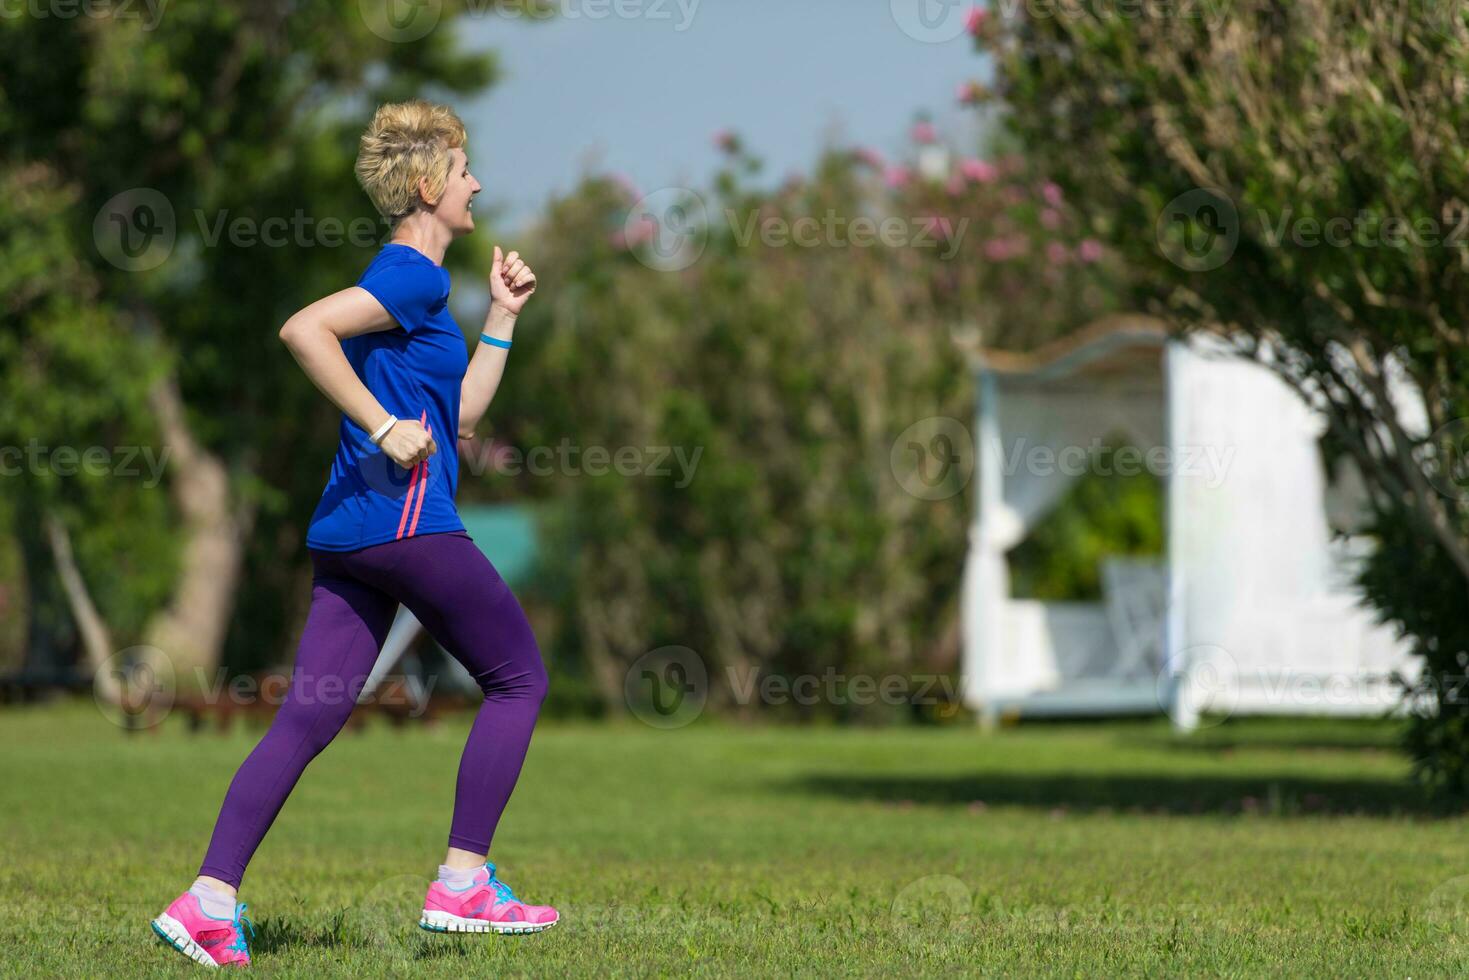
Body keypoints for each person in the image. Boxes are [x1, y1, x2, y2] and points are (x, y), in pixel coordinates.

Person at [150, 100, 556, 969]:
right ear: (428, 184)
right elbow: (304, 329)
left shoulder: (424, 294)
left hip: (352, 533)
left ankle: (208, 901)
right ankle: (463, 884)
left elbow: (459, 419)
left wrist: (505, 316)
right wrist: (379, 425)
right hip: (406, 521)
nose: (477, 181)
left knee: (309, 715)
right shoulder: (411, 275)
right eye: (464, 168)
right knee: (519, 678)